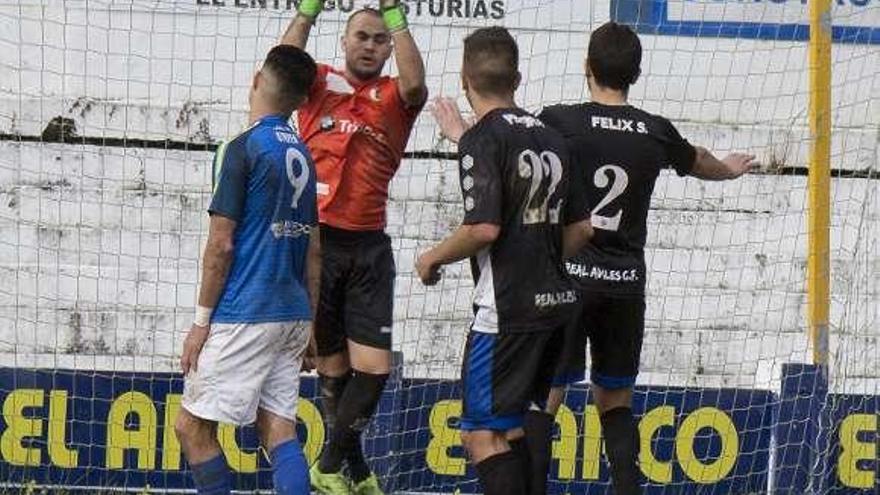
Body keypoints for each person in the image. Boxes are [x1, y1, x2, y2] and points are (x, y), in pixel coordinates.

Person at [527, 22, 757, 495]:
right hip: (624, 284)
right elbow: (698, 160)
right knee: (614, 401)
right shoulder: (654, 131)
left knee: (544, 398)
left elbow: (510, 141)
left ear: (587, 68)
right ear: (636, 72)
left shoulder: (559, 120)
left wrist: (463, 134)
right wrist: (730, 170)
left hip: (566, 278)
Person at [420, 26, 593, 495]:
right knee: (514, 427)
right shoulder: (553, 138)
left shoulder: (484, 139)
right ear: (517, 78)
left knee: (481, 434)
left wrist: (430, 259)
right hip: (555, 305)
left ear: (464, 79)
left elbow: (483, 229)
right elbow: (583, 229)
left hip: (507, 312)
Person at [280, 1, 427, 493]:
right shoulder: (319, 83)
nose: (369, 45)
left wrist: (394, 16)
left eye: (378, 38)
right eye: (361, 36)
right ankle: (357, 470)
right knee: (332, 367)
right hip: (317, 245)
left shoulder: (394, 96)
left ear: (388, 45)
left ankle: (327, 464)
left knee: (374, 369)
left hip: (368, 247)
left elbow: (415, 83)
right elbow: (279, 65)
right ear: (344, 42)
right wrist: (306, 12)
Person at [173, 45, 320, 495]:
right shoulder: (305, 156)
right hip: (292, 313)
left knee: (190, 428)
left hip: (246, 313)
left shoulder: (241, 148)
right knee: (278, 430)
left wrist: (201, 323)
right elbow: (315, 250)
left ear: (257, 79)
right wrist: (310, 321)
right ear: (300, 101)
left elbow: (221, 244)